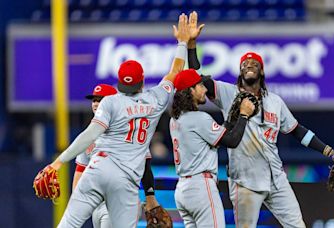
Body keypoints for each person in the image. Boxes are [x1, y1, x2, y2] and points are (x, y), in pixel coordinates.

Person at [187, 15, 334, 228]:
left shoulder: (275, 101)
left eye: (253, 63)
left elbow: (298, 131)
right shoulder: (228, 93)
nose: (249, 65)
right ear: (240, 71)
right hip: (244, 182)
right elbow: (198, 80)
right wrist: (192, 44)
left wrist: (332, 153)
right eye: (244, 63)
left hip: (276, 179)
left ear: (261, 70)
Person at [38, 13, 191, 228]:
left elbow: (90, 135)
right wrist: (183, 42)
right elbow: (175, 71)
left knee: (68, 224)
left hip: (99, 169)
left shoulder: (110, 102)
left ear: (120, 82)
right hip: (125, 180)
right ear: (143, 81)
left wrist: (58, 162)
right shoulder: (157, 98)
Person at [170, 69, 255, 227]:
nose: (205, 89)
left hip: (183, 189)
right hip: (201, 188)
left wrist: (230, 120)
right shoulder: (200, 119)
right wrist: (243, 115)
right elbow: (232, 141)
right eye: (200, 86)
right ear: (190, 91)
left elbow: (215, 138)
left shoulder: (175, 119)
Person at [72, 83, 160, 228]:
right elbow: (80, 171)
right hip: (97, 206)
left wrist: (150, 197)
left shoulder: (130, 131)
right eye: (94, 100)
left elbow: (145, 167)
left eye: (101, 99)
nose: (96, 103)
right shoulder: (88, 136)